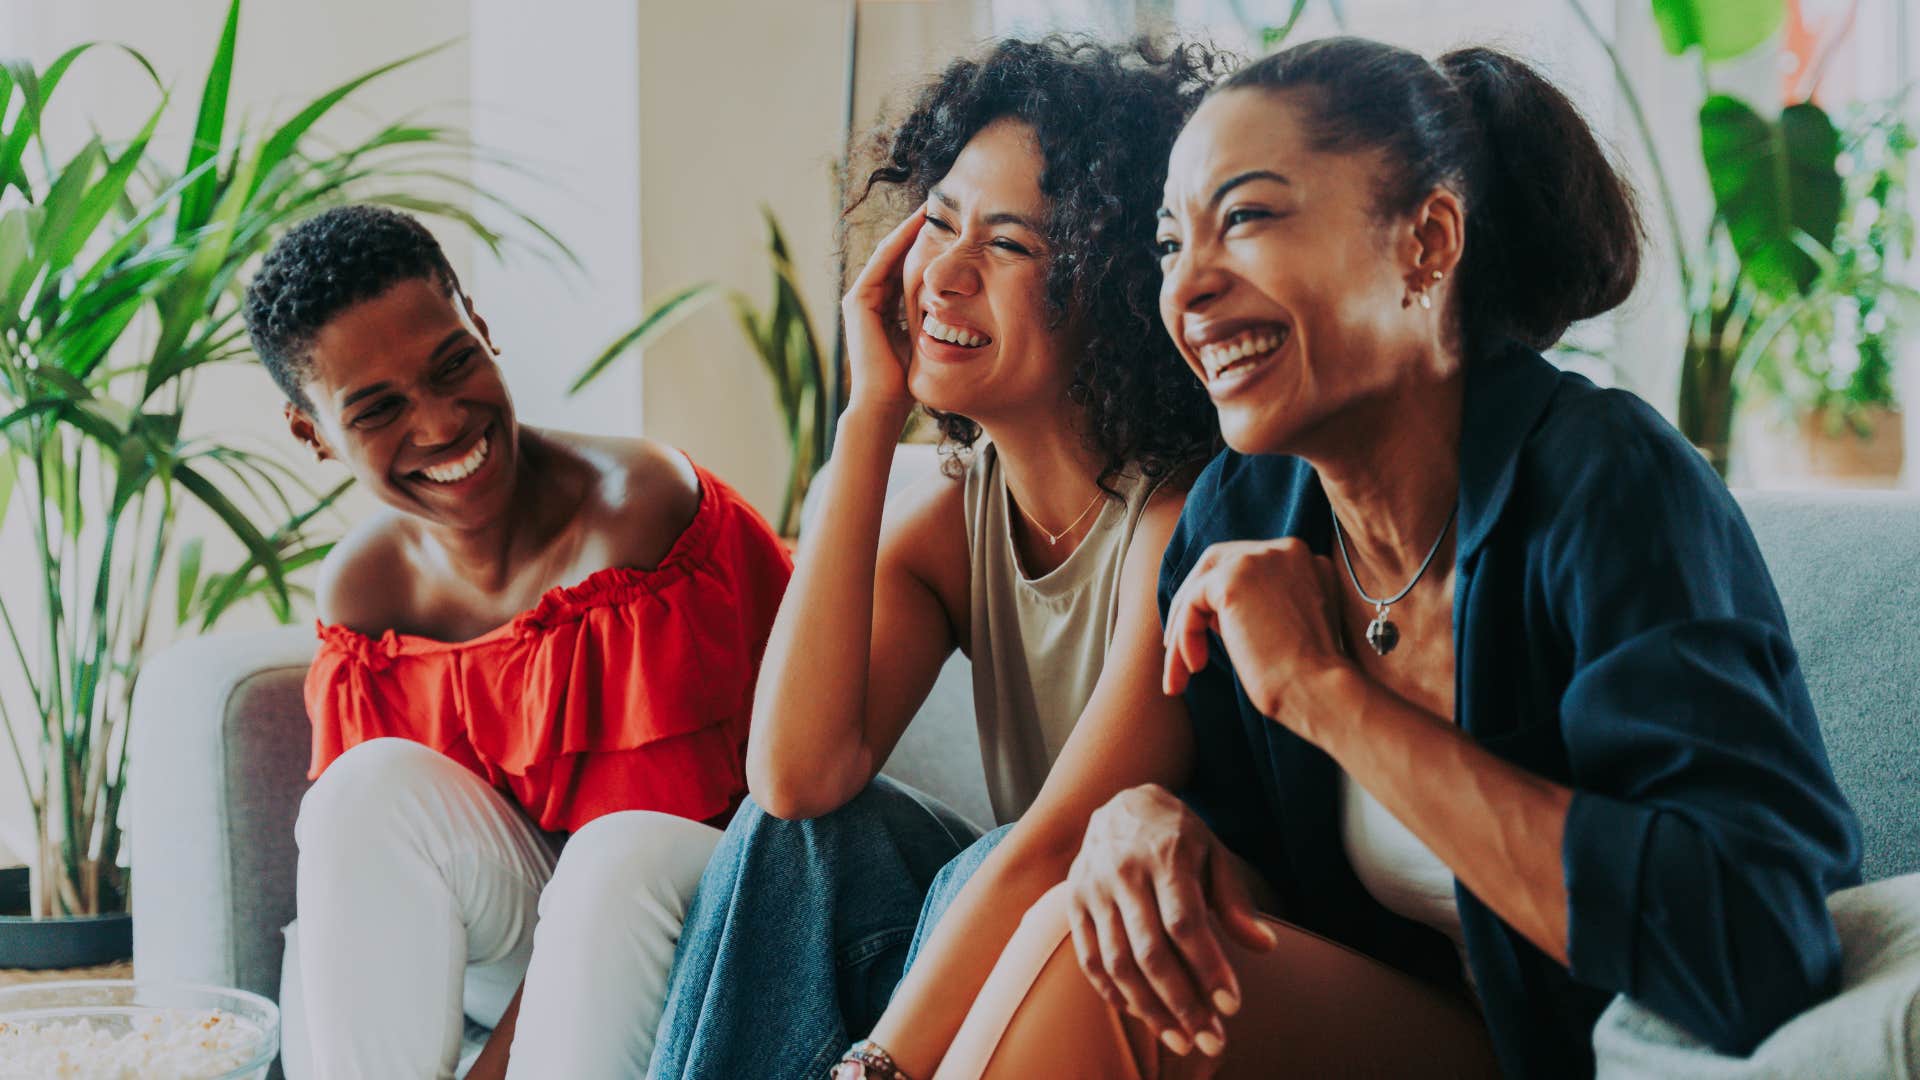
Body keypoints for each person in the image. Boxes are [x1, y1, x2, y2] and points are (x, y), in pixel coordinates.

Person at [930, 37, 1863, 1080]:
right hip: (1420, 1031)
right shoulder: (1248, 509)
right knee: (1102, 941)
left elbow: (1761, 949)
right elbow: (1258, 872)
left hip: (1596, 1051)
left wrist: (1331, 697)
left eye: (1243, 218)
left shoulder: (1611, 485)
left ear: (1426, 243)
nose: (1186, 288)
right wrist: (1147, 831)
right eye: (1166, 243)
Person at [646, 37, 1224, 1080]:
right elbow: (793, 779)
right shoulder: (956, 520)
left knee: (1005, 860)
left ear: (1114, 285)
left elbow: (1056, 845)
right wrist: (869, 414)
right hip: (1030, 922)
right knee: (810, 842)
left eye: (1009, 246)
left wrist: (870, 1070)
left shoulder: (1175, 522)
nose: (946, 275)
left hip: (1178, 953)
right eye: (940, 224)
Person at [241, 204, 792, 1079]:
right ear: (312, 433)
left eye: (452, 362)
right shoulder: (365, 593)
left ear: (483, 328)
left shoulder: (636, 512)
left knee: (612, 859)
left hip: (707, 919)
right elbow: (383, 881)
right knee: (357, 792)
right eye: (379, 409)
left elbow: (658, 853)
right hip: (533, 934)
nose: (440, 424)